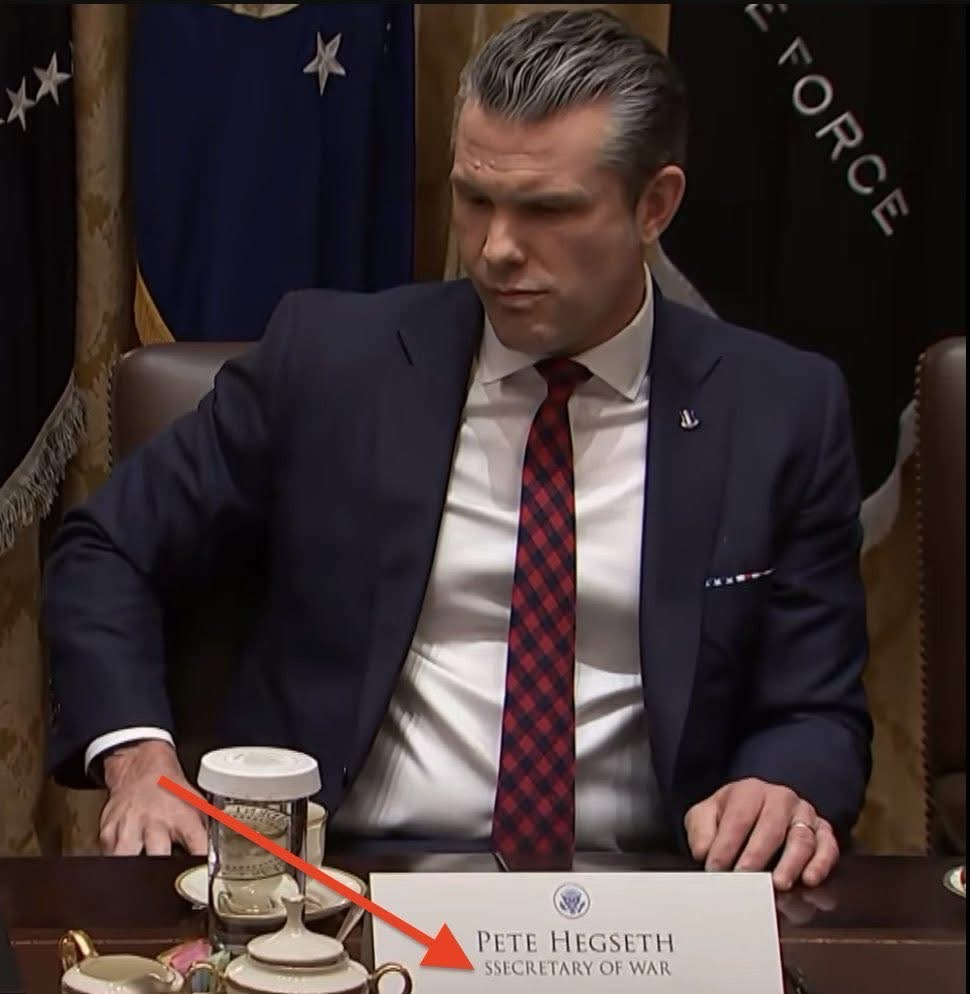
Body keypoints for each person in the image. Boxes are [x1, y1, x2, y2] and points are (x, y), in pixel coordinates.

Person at [42, 8, 871, 890]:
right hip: (341, 890)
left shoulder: (779, 410)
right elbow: (107, 546)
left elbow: (816, 709)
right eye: (476, 199)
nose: (497, 249)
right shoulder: (330, 363)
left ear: (654, 206)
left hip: (646, 901)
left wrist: (783, 784)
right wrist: (138, 757)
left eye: (548, 209)